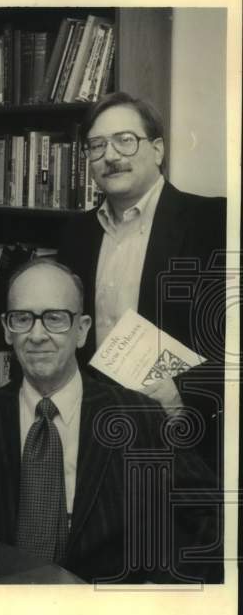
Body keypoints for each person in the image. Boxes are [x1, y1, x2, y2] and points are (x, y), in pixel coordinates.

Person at [0, 259, 218, 583]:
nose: (37, 335)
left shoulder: (141, 418)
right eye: (22, 318)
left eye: (54, 318)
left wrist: (157, 595)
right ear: (7, 329)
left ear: (81, 330)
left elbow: (211, 517)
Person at [57, 92, 227, 469]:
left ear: (158, 149)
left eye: (126, 140)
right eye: (97, 146)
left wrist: (182, 392)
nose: (112, 156)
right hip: (94, 428)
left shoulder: (214, 222)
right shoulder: (76, 233)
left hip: (183, 432)